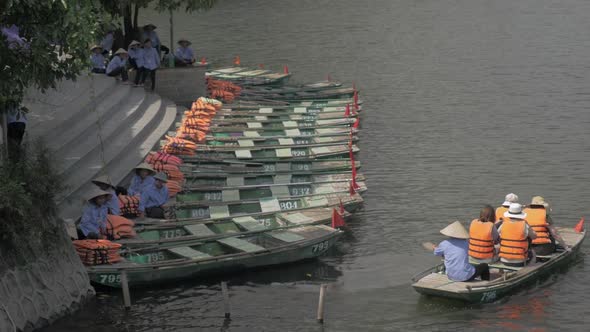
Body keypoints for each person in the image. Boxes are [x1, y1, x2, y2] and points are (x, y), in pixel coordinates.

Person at [424, 221, 490, 282]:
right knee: (485, 266)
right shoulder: (466, 243)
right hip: (467, 277)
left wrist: (434, 247)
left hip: (451, 276)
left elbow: (436, 253)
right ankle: (486, 284)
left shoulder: (444, 244)